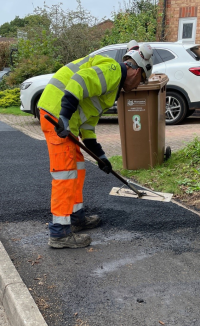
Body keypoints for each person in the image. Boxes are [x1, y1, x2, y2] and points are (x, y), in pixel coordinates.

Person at [38, 43, 153, 249]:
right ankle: (59, 233)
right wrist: (64, 115)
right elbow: (78, 81)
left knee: (78, 167)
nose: (138, 86)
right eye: (142, 79)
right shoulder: (112, 70)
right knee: (65, 172)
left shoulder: (112, 90)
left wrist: (102, 157)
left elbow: (88, 127)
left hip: (68, 121)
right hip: (57, 114)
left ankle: (76, 217)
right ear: (136, 70)